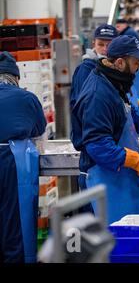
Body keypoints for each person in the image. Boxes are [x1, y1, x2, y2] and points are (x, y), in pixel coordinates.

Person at [72, 35, 139, 223]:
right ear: (120, 63)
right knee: (118, 243)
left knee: (137, 238)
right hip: (108, 181)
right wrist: (135, 160)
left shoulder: (115, 82)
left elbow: (125, 113)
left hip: (123, 177)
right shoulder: (97, 94)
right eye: (136, 62)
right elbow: (97, 145)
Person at [0, 52, 46, 262]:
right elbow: (39, 135)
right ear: (15, 77)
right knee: (14, 224)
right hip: (10, 164)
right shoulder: (27, 98)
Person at [115, 18, 139, 102]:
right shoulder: (130, 32)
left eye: (118, 26)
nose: (117, 29)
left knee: (138, 89)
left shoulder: (127, 33)